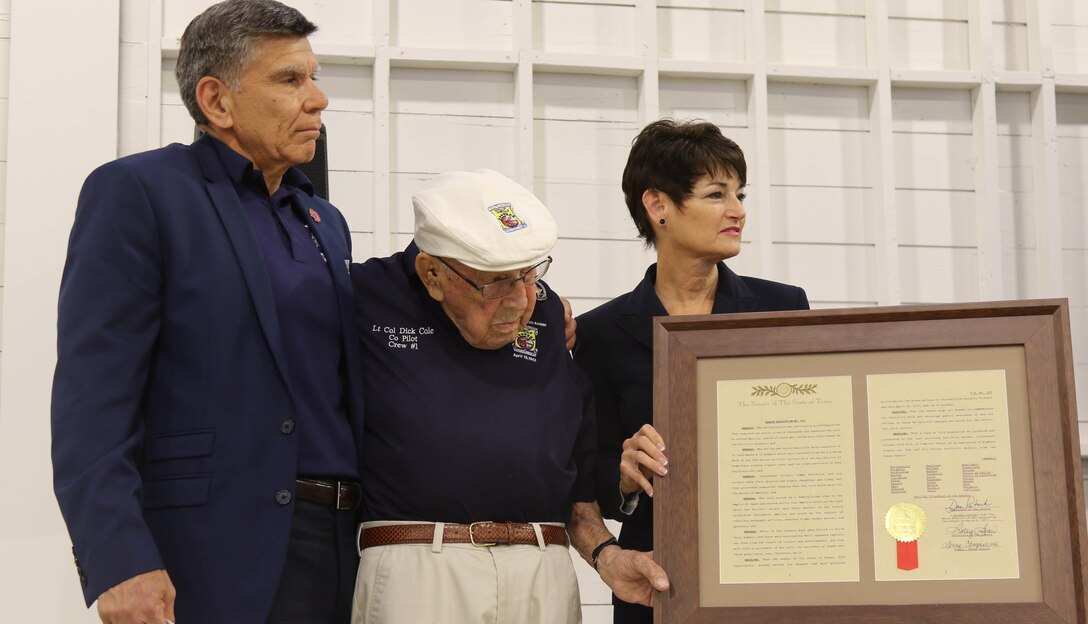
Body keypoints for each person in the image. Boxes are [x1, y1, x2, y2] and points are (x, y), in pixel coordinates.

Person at [51, 1, 365, 621]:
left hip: (342, 546)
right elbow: (93, 396)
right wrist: (119, 560)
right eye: (290, 79)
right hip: (213, 550)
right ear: (217, 101)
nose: (319, 98)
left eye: (314, 75)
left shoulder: (326, 222)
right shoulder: (140, 193)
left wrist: (533, 307)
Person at [349, 169, 669, 623]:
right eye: (496, 282)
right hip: (419, 571)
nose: (520, 301)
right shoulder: (362, 296)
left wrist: (608, 557)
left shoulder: (545, 313)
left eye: (529, 275)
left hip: (543, 573)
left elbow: (574, 487)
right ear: (433, 274)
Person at [573, 119, 810, 623]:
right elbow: (582, 475)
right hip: (659, 583)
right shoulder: (601, 333)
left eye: (740, 195)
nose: (738, 211)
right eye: (716, 194)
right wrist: (624, 473)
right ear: (657, 205)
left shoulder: (782, 310)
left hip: (774, 574)